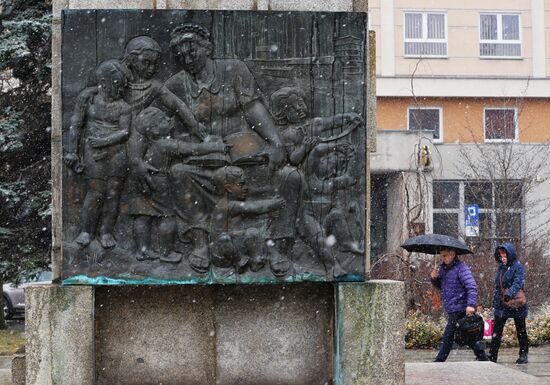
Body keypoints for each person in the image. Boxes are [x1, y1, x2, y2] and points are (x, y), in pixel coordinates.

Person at [64, 59, 132, 249]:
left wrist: (105, 141)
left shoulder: (123, 107)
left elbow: (125, 132)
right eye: (117, 84)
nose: (120, 90)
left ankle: (106, 232)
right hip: (93, 153)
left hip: (116, 153)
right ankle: (86, 231)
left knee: (113, 194)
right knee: (95, 193)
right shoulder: (88, 97)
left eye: (123, 86)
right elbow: (76, 125)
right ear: (104, 81)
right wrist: (71, 151)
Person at [430, 248, 489, 362]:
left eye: (445, 256)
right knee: (468, 335)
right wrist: (434, 278)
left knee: (449, 335)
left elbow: (471, 287)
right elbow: (441, 286)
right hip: (452, 307)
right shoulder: (443, 268)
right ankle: (482, 357)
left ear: (452, 255)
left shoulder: (461, 268)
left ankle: (440, 360)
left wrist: (470, 305)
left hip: (461, 307)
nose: (443, 258)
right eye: (441, 256)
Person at [489, 243, 529, 364]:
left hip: (515, 302)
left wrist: (509, 294)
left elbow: (518, 283)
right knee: (496, 331)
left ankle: (523, 354)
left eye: (504, 254)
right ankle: (492, 355)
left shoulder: (518, 267)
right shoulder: (501, 267)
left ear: (510, 254)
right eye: (501, 254)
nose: (502, 257)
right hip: (502, 303)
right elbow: (498, 284)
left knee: (521, 330)